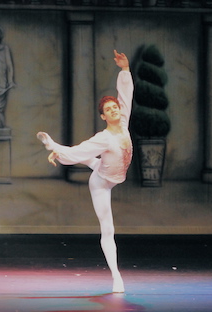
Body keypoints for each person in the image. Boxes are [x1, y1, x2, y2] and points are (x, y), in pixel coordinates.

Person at [37, 50, 134, 293]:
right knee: (108, 228)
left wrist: (124, 70)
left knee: (95, 162)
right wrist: (59, 151)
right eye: (109, 109)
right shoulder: (104, 137)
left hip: (110, 170)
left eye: (115, 107)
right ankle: (116, 276)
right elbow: (80, 151)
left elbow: (126, 96)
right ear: (103, 117)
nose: (114, 110)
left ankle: (57, 150)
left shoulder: (124, 123)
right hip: (101, 182)